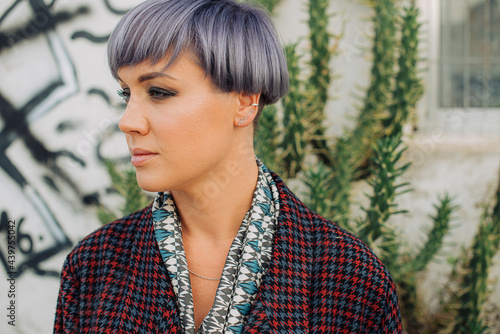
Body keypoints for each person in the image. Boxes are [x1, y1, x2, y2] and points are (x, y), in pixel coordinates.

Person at [54, 0, 402, 333]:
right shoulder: (92, 267)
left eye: (159, 92)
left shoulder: (350, 279)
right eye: (126, 94)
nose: (128, 121)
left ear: (246, 101)